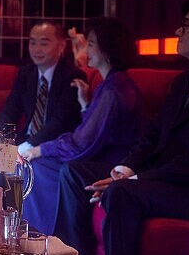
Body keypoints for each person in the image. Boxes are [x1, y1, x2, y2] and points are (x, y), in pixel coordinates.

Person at [55, 0, 189, 255]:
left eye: (186, 25)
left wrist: (134, 179)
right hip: (160, 176)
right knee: (74, 172)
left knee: (122, 192)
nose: (178, 31)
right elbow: (153, 134)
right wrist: (125, 168)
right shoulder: (183, 81)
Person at [20, 17, 142, 234]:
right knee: (35, 164)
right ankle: (36, 232)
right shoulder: (111, 84)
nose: (86, 50)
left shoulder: (113, 89)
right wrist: (86, 105)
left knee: (35, 166)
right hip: (98, 156)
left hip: (109, 163)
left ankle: (42, 235)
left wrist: (41, 149)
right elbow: (94, 131)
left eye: (91, 44)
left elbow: (82, 141)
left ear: (107, 49)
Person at [0, 20, 84, 152]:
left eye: (44, 43)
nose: (36, 49)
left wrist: (25, 147)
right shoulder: (26, 73)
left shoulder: (72, 76)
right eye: (32, 43)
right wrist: (0, 140)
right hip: (25, 139)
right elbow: (10, 111)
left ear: (61, 46)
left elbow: (60, 122)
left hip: (55, 146)